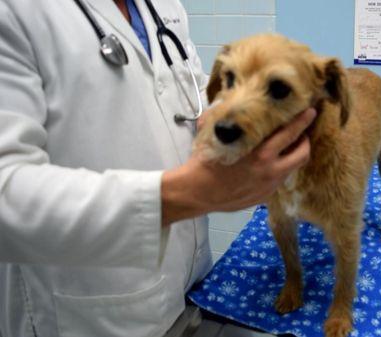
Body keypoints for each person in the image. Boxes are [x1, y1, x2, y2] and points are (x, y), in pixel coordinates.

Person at [0, 0, 315, 336]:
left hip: (190, 287)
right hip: (85, 314)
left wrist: (224, 114)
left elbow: (186, 89)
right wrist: (180, 197)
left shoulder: (163, 6)